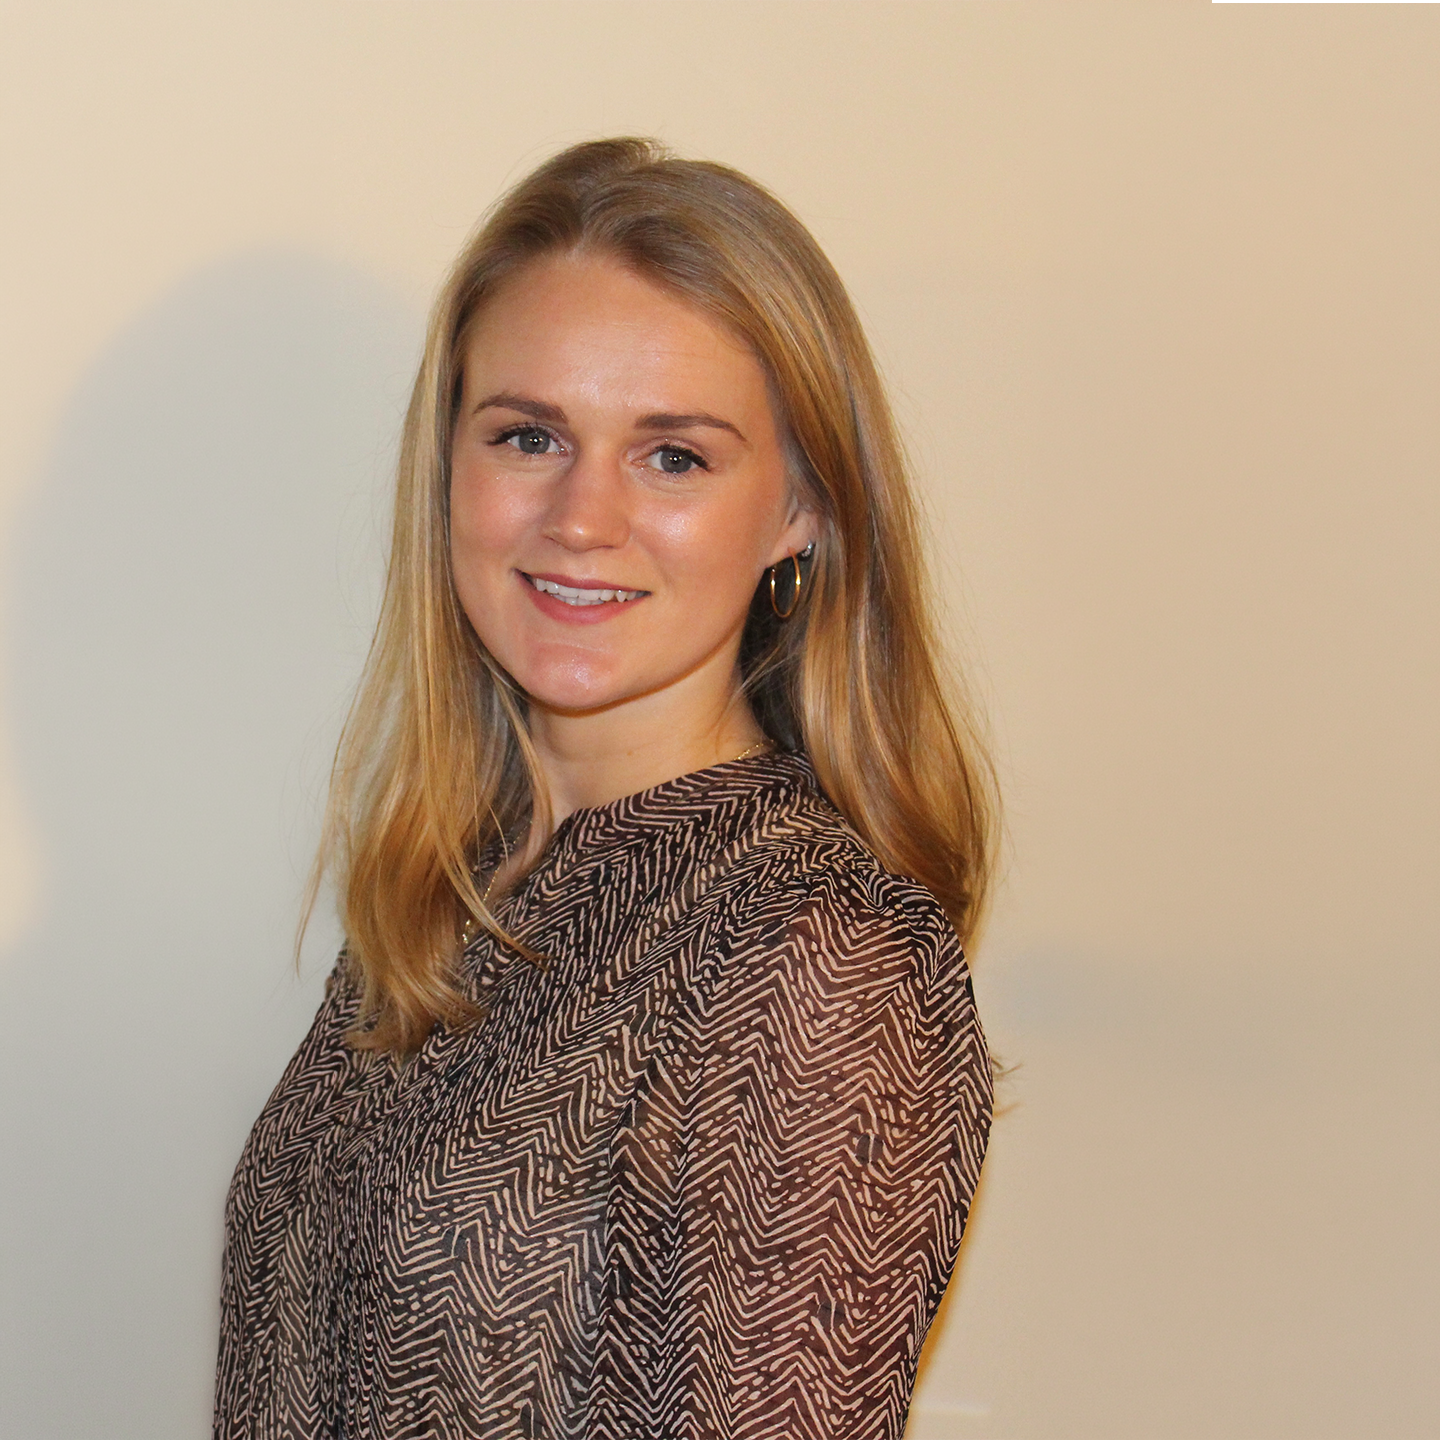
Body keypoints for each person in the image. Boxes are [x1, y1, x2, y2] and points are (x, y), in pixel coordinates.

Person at [215, 137, 995, 1440]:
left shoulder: (821, 959)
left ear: (799, 507)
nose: (581, 518)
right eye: (529, 435)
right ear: (449, 468)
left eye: (673, 456)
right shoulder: (448, 887)